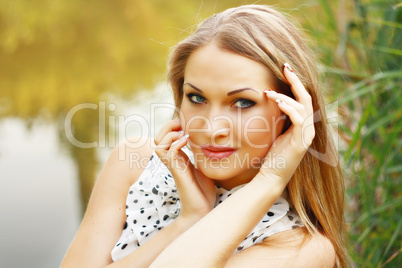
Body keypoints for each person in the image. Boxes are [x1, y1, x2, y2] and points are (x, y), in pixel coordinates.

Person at [61, 5, 347, 267]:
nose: (211, 128)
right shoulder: (134, 164)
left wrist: (270, 179)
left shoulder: (303, 250)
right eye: (196, 97)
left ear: (290, 111)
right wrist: (187, 221)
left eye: (243, 103)